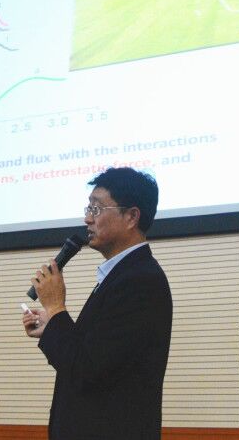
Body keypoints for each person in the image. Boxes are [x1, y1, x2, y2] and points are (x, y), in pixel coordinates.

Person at [23, 167, 173, 440]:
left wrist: (56, 308)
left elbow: (86, 370)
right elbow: (92, 355)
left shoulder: (140, 281)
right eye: (88, 208)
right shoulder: (121, 276)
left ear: (131, 217)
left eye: (96, 208)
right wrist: (53, 323)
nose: (87, 218)